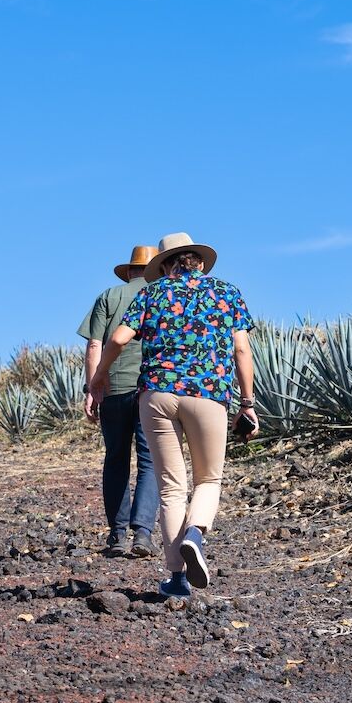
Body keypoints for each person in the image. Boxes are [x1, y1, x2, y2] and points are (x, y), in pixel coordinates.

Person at [89, 232, 257, 599]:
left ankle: (177, 580)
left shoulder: (150, 293)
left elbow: (117, 339)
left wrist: (100, 375)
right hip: (209, 395)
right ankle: (196, 534)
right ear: (198, 260)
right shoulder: (227, 293)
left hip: (157, 395)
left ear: (164, 265)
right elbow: (242, 350)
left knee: (171, 487)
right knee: (209, 480)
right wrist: (247, 403)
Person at [78, 244, 160, 558]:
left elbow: (94, 346)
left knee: (115, 460)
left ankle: (118, 534)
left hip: (113, 389)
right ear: (157, 270)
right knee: (149, 461)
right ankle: (143, 533)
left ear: (129, 272)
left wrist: (92, 388)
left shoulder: (109, 297)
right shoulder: (161, 297)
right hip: (150, 389)